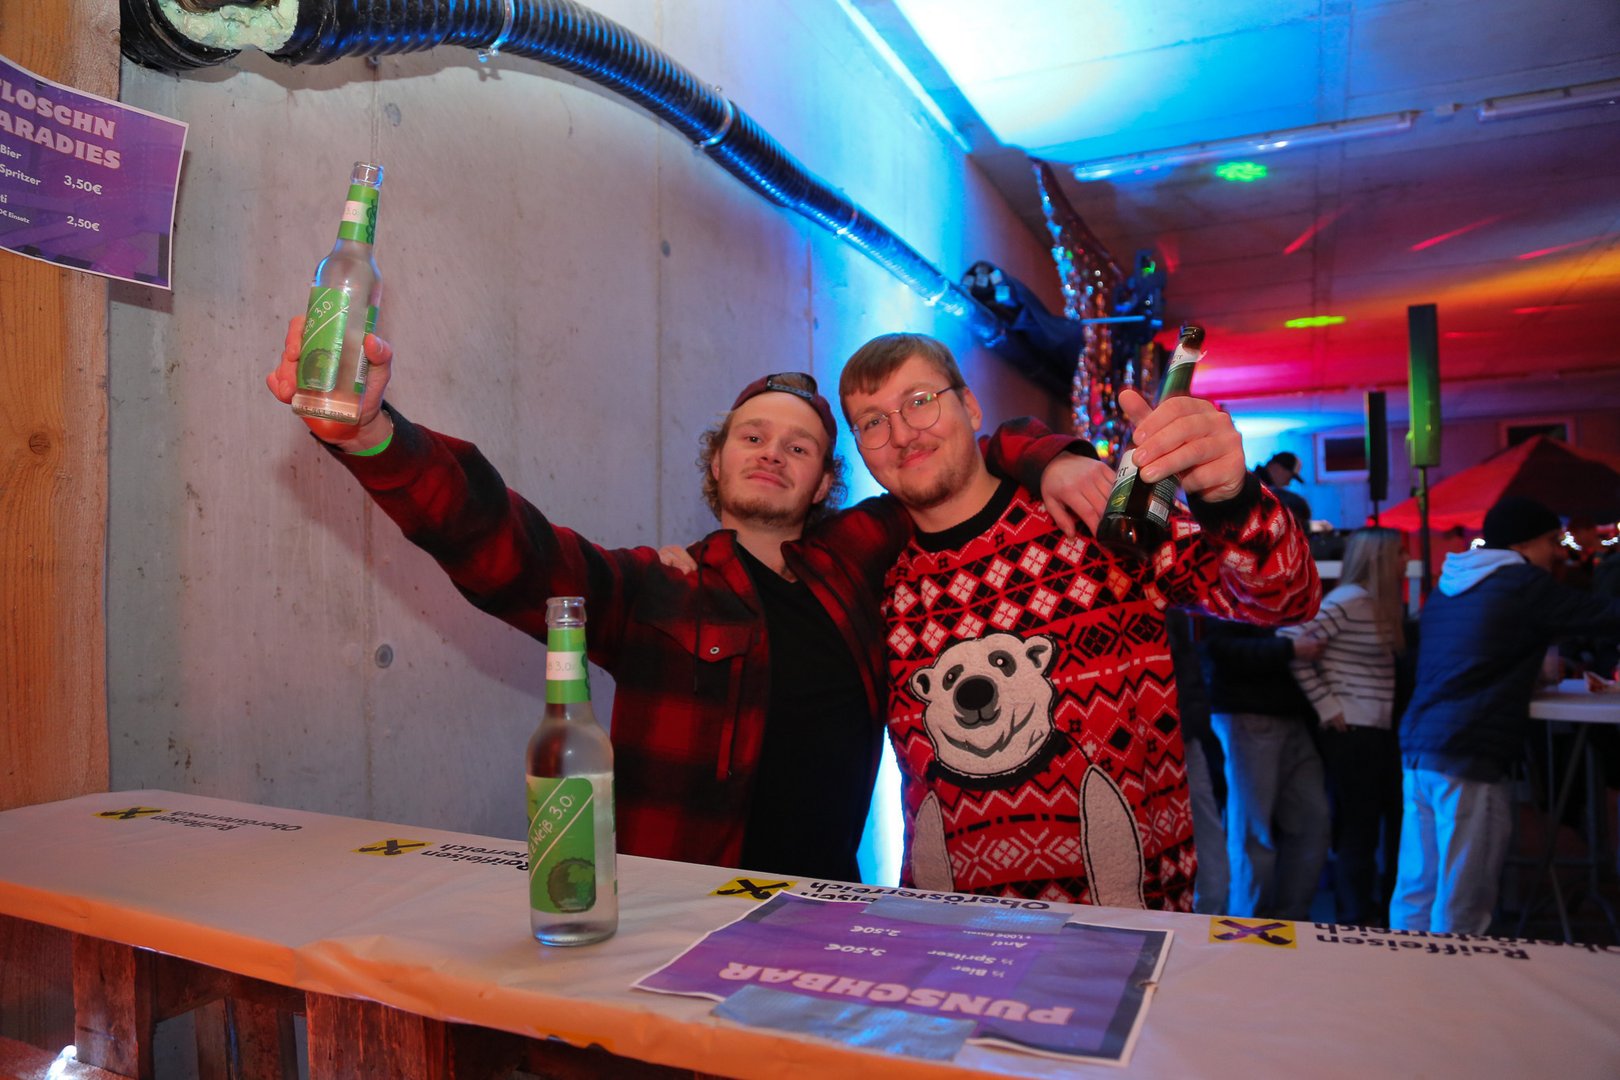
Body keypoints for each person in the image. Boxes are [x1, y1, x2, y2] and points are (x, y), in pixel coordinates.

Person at [265, 319, 1104, 884]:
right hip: (679, 928)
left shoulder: (856, 558)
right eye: (752, 437)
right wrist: (372, 435)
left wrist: (1053, 455)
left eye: (800, 447)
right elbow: (505, 548)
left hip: (833, 919)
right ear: (717, 463)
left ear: (825, 483)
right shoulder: (655, 590)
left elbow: (951, 453)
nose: (772, 454)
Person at [838, 332, 1320, 910]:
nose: (901, 434)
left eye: (920, 401)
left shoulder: (1094, 516)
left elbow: (1283, 598)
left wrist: (1231, 497)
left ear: (970, 406)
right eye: (872, 421)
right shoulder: (873, 583)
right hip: (950, 931)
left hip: (1127, 927)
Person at [1390, 496, 1620, 934]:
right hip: (1472, 748)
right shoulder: (1522, 583)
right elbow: (1603, 616)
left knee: (1417, 889)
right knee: (1463, 901)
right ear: (1524, 542)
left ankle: (1403, 974)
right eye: (1551, 541)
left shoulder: (1448, 587)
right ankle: (1455, 978)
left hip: (1420, 746)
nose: (1557, 552)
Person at [1281, 526, 1408, 925]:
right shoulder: (1349, 599)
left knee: (1372, 826)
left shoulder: (1375, 603)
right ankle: (1356, 918)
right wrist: (1326, 703)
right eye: (1400, 553)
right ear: (1380, 560)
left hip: (1373, 727)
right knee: (1359, 829)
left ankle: (1368, 914)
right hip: (1352, 728)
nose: (1407, 561)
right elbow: (1292, 643)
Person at [1201, 617, 1331, 922]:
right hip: (1247, 711)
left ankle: (1290, 921)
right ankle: (1245, 925)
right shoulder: (1232, 594)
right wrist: (1288, 649)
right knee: (1252, 829)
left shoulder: (1295, 596)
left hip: (1294, 714)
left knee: (1313, 822)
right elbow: (1217, 648)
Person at [1254, 450, 1311, 527]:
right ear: (1277, 468)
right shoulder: (1256, 488)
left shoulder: (1258, 485)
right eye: (1289, 478)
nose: (1288, 484)